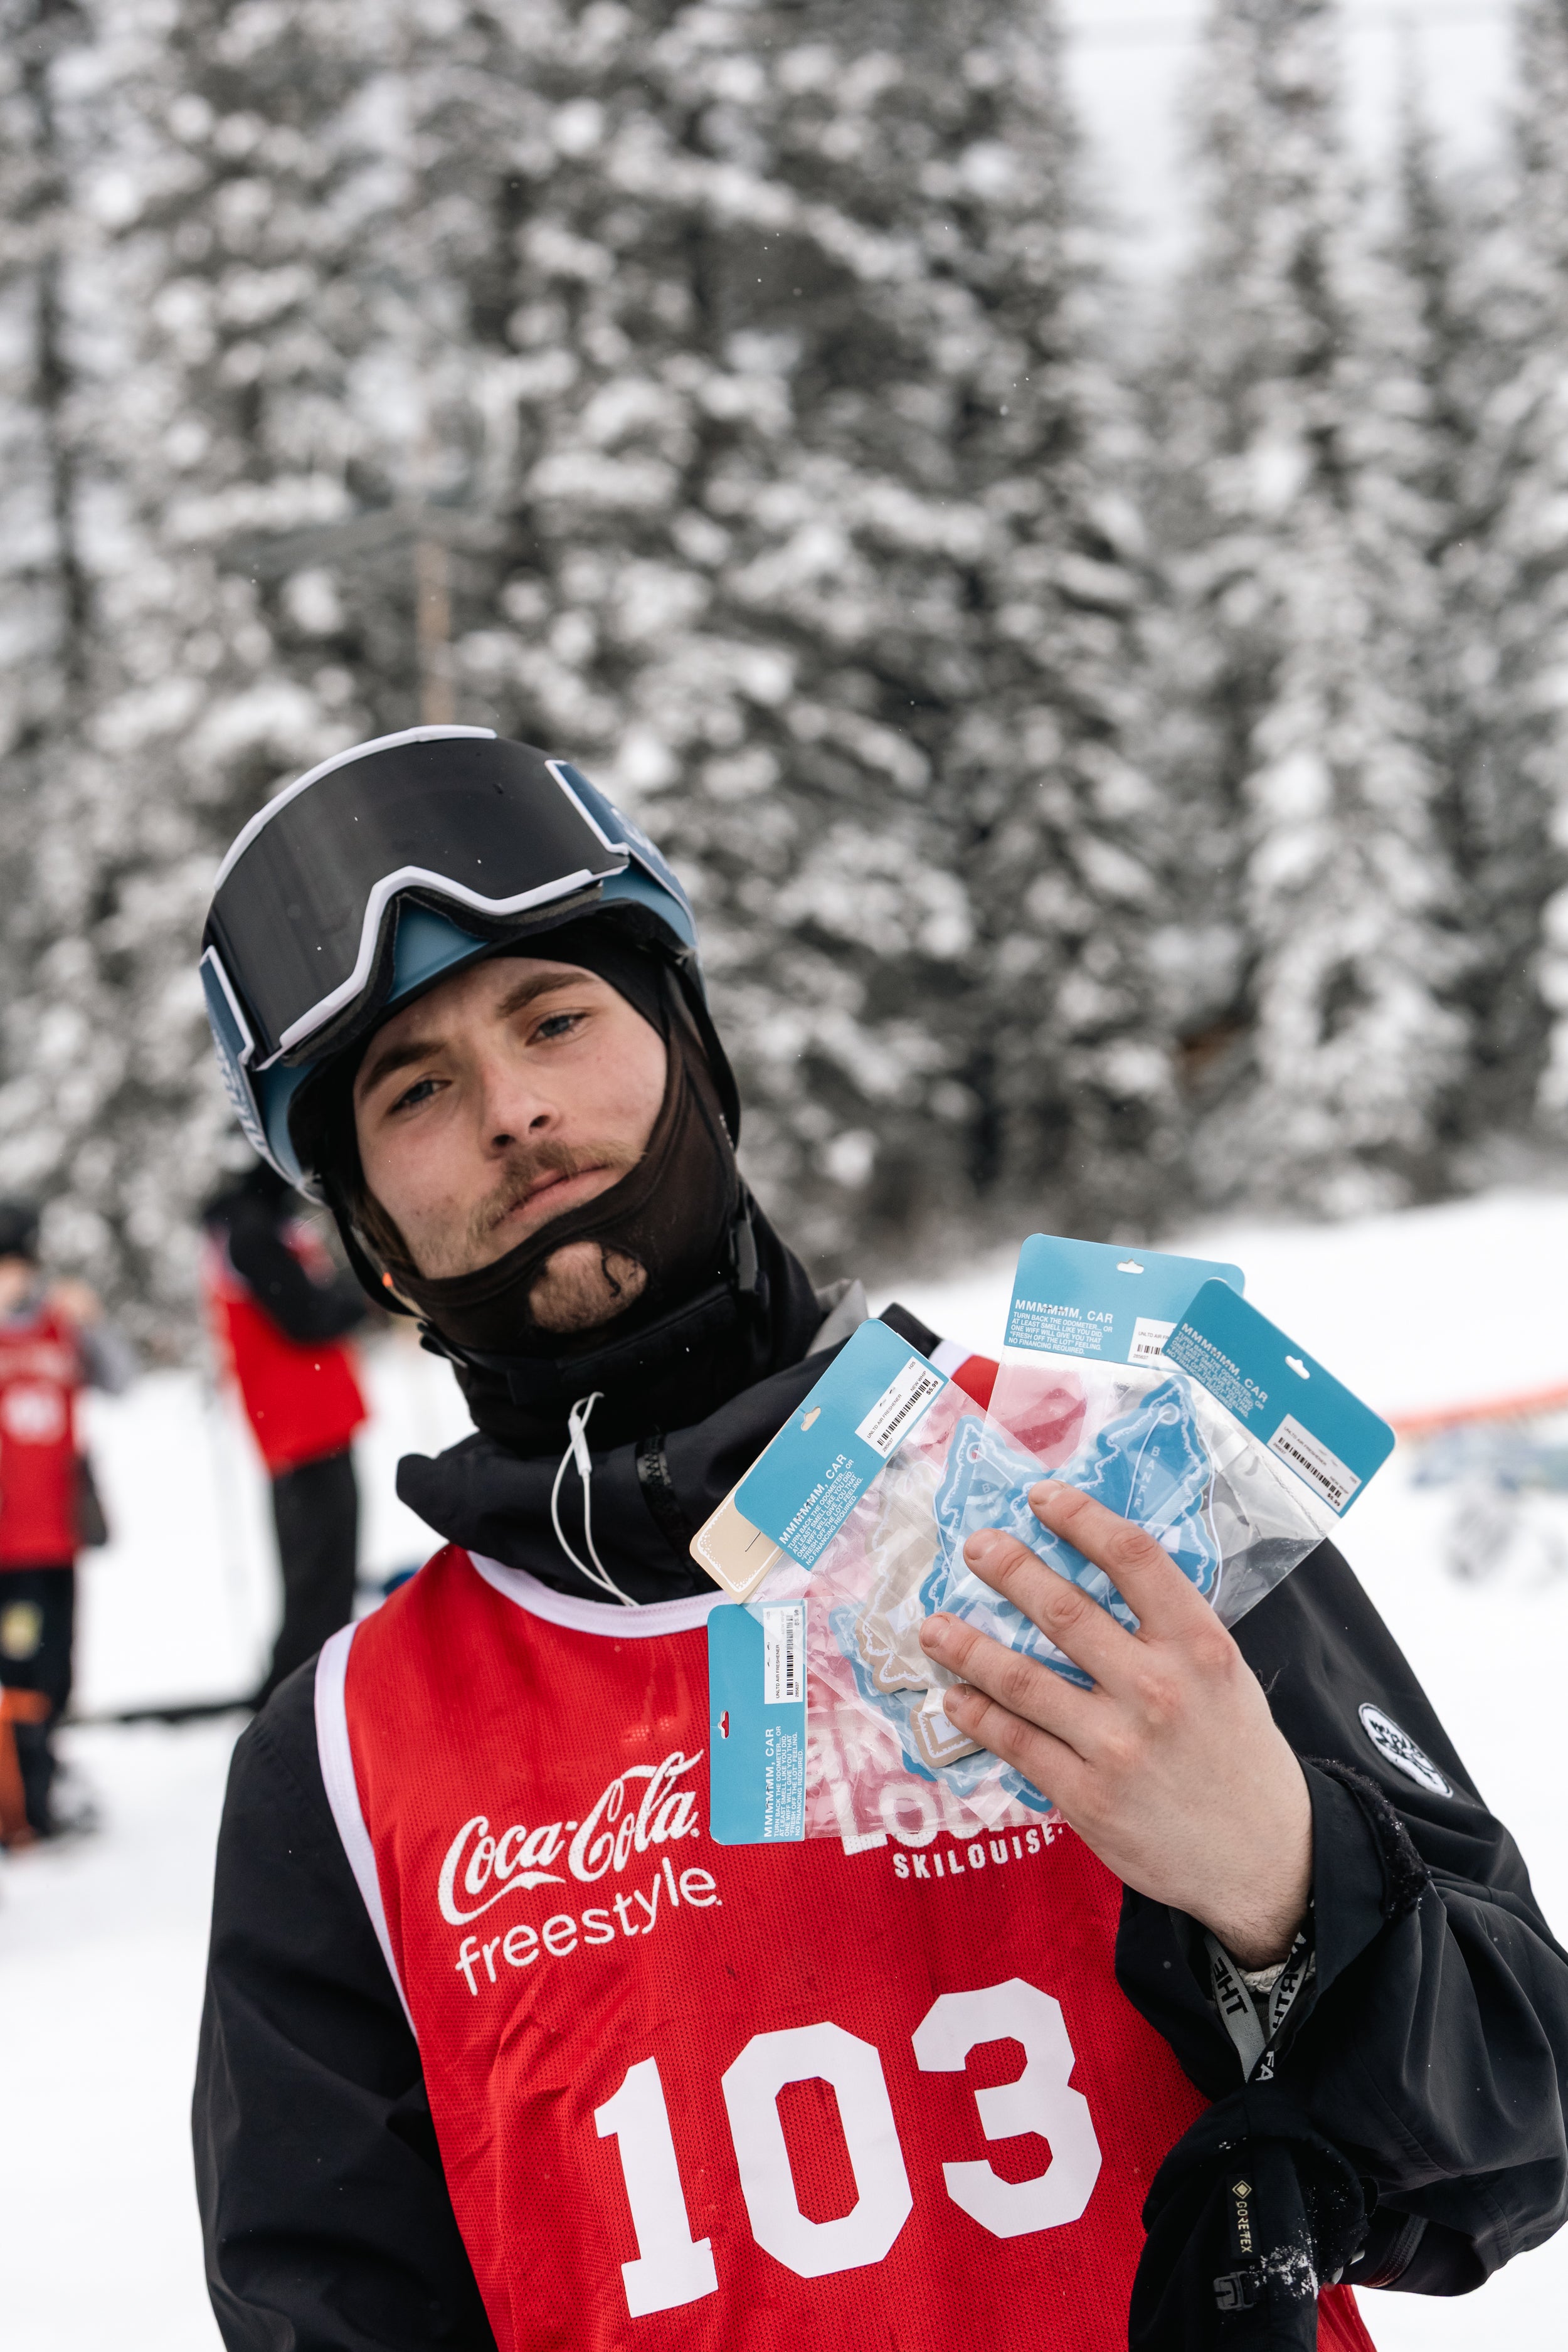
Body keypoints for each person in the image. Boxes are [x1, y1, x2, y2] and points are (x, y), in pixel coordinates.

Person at [192, 728, 1568, 2352]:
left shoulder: (1105, 1490)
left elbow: (1513, 2129)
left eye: (555, 1016)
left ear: (696, 1052)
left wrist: (1282, 1881)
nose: (516, 1108)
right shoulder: (342, 1760)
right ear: (368, 1238)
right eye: (415, 1089)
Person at [201, 1155, 371, 1705]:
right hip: (299, 1428)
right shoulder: (250, 1229)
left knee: (327, 1572)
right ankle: (297, 1695)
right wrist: (360, 1298)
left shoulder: (263, 1223)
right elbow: (305, 1315)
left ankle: (313, 1685)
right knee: (316, 1576)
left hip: (314, 1422)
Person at [0, 1199, 135, 1838]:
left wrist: (94, 1321)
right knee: (17, 1670)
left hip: (57, 1539)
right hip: (8, 1548)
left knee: (56, 1671)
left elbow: (122, 1380)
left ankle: (42, 1781)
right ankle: (23, 1800)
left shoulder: (60, 1325)